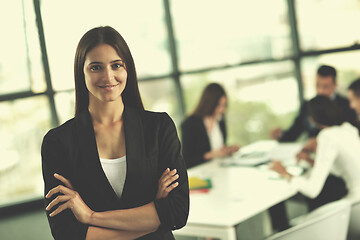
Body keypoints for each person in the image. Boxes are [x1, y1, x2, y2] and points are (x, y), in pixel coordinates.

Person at [41, 26, 189, 240]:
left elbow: (177, 213)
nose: (108, 76)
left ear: (127, 69)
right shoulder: (58, 143)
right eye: (96, 67)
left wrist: (91, 216)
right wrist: (153, 213)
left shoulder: (158, 128)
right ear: (81, 73)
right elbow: (66, 233)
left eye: (116, 65)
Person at [270, 95, 360, 211]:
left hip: (356, 206)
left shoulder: (327, 136)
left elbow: (313, 190)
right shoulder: (348, 129)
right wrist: (309, 160)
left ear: (312, 119)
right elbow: (343, 168)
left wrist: (285, 173)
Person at [270, 65, 357, 142]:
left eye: (325, 86)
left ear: (335, 85)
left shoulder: (348, 106)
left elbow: (352, 135)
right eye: (317, 85)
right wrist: (280, 135)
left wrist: (318, 141)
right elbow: (295, 131)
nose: (320, 91)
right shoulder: (308, 106)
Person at [181, 83, 239, 168]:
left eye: (224, 105)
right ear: (209, 103)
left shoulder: (220, 120)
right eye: (219, 105)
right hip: (201, 173)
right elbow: (187, 160)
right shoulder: (190, 123)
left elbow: (220, 147)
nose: (222, 110)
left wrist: (227, 150)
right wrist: (211, 155)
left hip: (220, 168)